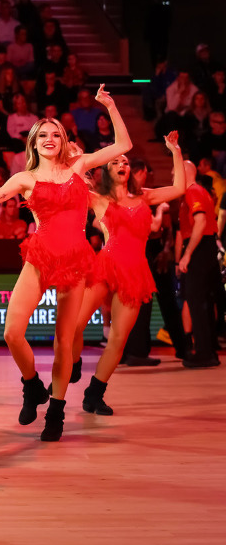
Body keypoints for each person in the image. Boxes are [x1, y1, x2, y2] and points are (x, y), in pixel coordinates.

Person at [0, 85, 131, 441]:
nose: (49, 139)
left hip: (75, 259)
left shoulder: (79, 165)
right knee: (11, 333)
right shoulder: (25, 178)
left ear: (63, 141)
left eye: (56, 134)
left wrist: (109, 105)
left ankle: (56, 412)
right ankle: (32, 385)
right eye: (43, 135)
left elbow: (123, 144)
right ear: (33, 143)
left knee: (64, 341)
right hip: (41, 256)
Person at [78, 134, 185, 414]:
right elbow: (71, 186)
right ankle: (72, 364)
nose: (122, 164)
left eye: (124, 161)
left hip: (135, 272)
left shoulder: (145, 196)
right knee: (75, 325)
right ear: (106, 170)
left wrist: (175, 151)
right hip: (106, 266)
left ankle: (94, 393)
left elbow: (179, 187)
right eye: (115, 162)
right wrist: (78, 159)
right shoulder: (98, 199)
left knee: (118, 339)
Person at [176, 162, 222, 367]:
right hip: (206, 246)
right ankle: (209, 350)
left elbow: (201, 222)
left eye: (175, 172)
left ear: (185, 173)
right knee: (203, 300)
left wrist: (187, 254)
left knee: (196, 301)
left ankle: (204, 353)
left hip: (199, 246)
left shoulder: (193, 191)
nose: (173, 176)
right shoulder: (201, 191)